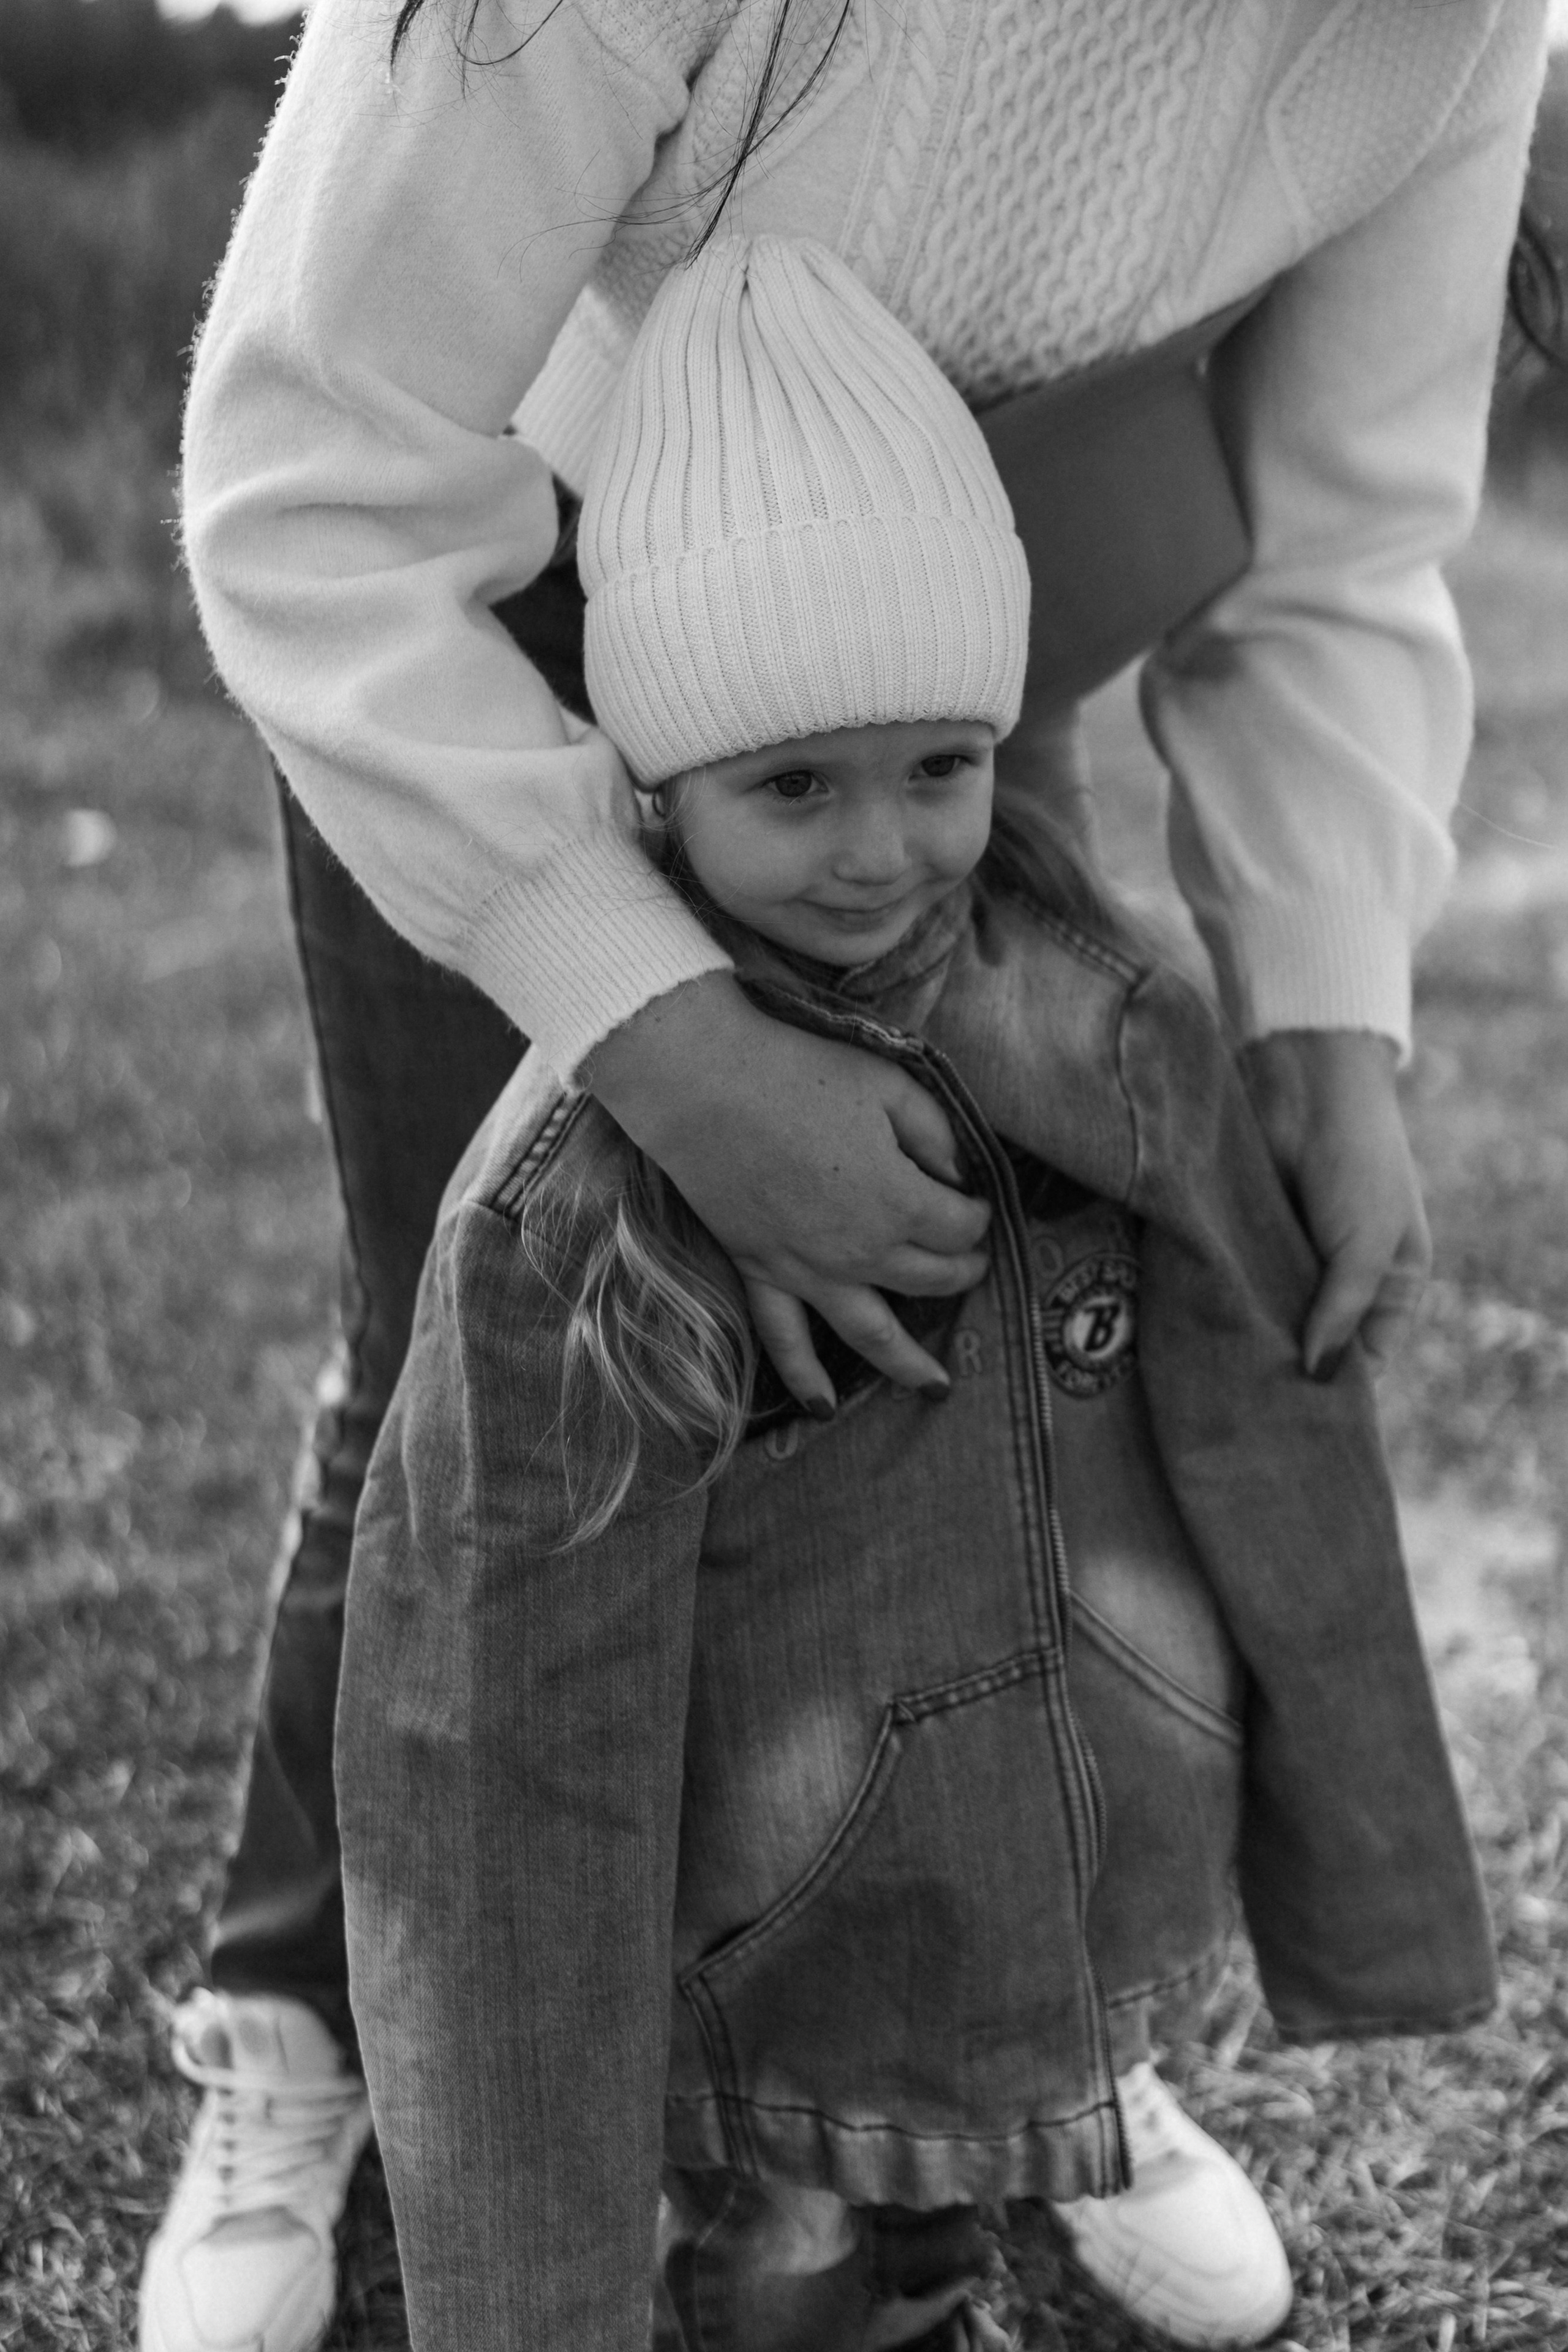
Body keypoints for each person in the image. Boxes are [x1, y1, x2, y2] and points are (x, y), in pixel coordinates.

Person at [139, 5, 1550, 2350]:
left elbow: (1346, 521)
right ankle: (306, 2029)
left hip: (938, 612)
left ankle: (998, 2037)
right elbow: (316, 472)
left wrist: (1331, 1021)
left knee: (1002, 1346)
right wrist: (675, 1047)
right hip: (479, 579)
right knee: (479, 1363)